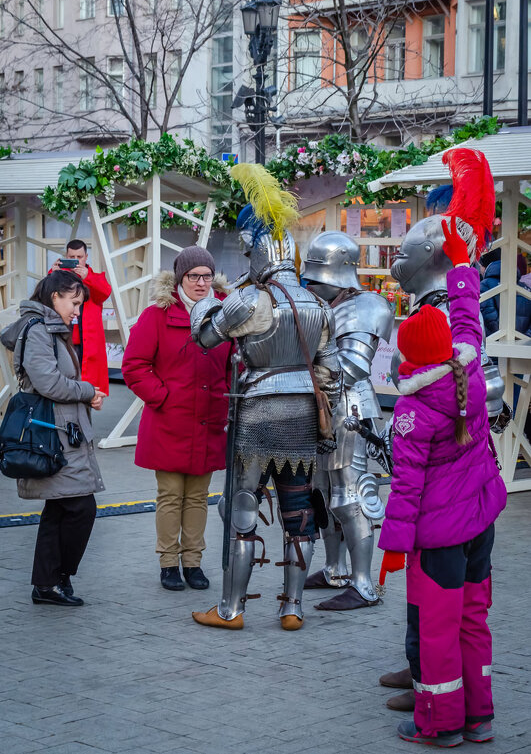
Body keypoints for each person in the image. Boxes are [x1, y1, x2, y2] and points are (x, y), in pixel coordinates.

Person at [189, 164, 341, 631]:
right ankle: (291, 608)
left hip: (257, 413)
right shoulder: (319, 304)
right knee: (299, 511)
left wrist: (210, 297)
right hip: (301, 416)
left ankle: (232, 609)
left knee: (241, 506)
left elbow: (203, 336)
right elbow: (330, 375)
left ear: (255, 249)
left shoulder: (249, 301)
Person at [378, 217, 507, 747]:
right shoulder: (469, 373)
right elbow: (468, 320)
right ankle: (480, 718)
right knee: (474, 622)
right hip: (482, 522)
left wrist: (391, 548)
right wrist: (459, 266)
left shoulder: (411, 413)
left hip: (439, 536)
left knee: (437, 629)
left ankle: (440, 722)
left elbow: (406, 489)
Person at [121, 247, 233, 592]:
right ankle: (169, 562)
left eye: (206, 276)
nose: (201, 283)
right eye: (193, 276)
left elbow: (236, 364)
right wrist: (163, 397)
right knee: (170, 494)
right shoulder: (157, 316)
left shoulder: (227, 316)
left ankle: (193, 562)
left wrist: (226, 396)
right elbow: (134, 366)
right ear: (180, 278)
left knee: (199, 497)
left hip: (209, 420)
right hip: (170, 421)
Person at [0, 270, 106, 606]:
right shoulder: (39, 331)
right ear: (54, 296)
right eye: (74, 302)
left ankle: (49, 584)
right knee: (80, 506)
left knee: (60, 508)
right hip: (53, 434)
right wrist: (88, 391)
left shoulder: (51, 330)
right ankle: (56, 579)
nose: (77, 310)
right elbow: (49, 383)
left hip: (61, 432)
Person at [302, 231, 394, 610]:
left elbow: (353, 366)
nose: (312, 284)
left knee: (350, 496)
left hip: (350, 411)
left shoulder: (366, 305)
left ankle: (363, 583)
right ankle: (335, 568)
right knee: (321, 494)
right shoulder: (321, 305)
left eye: (318, 277)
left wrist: (301, 371)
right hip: (322, 408)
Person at [51, 239, 112, 395]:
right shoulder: (58, 276)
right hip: (65, 339)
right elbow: (47, 296)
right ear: (66, 257)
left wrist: (88, 277)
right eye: (71, 257)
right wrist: (53, 274)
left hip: (87, 343)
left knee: (89, 387)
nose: (76, 261)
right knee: (63, 382)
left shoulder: (94, 277)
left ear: (86, 256)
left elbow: (104, 293)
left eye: (79, 257)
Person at [479, 247, 531, 337]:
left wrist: (502, 337)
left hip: (495, 344)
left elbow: (489, 317)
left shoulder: (485, 285)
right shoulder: (524, 287)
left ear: (484, 266)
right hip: (521, 346)